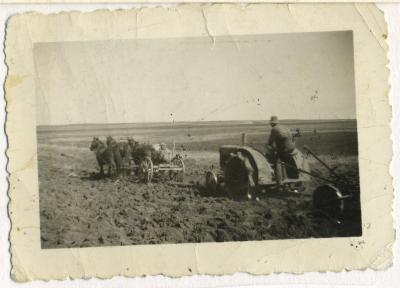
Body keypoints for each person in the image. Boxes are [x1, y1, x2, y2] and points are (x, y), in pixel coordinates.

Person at [266, 116, 297, 187]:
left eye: (271, 123)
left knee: (277, 162)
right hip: (292, 147)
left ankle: (279, 182)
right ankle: (292, 177)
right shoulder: (284, 127)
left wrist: (269, 147)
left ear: (272, 123)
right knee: (286, 159)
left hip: (285, 149)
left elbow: (270, 141)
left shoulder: (274, 129)